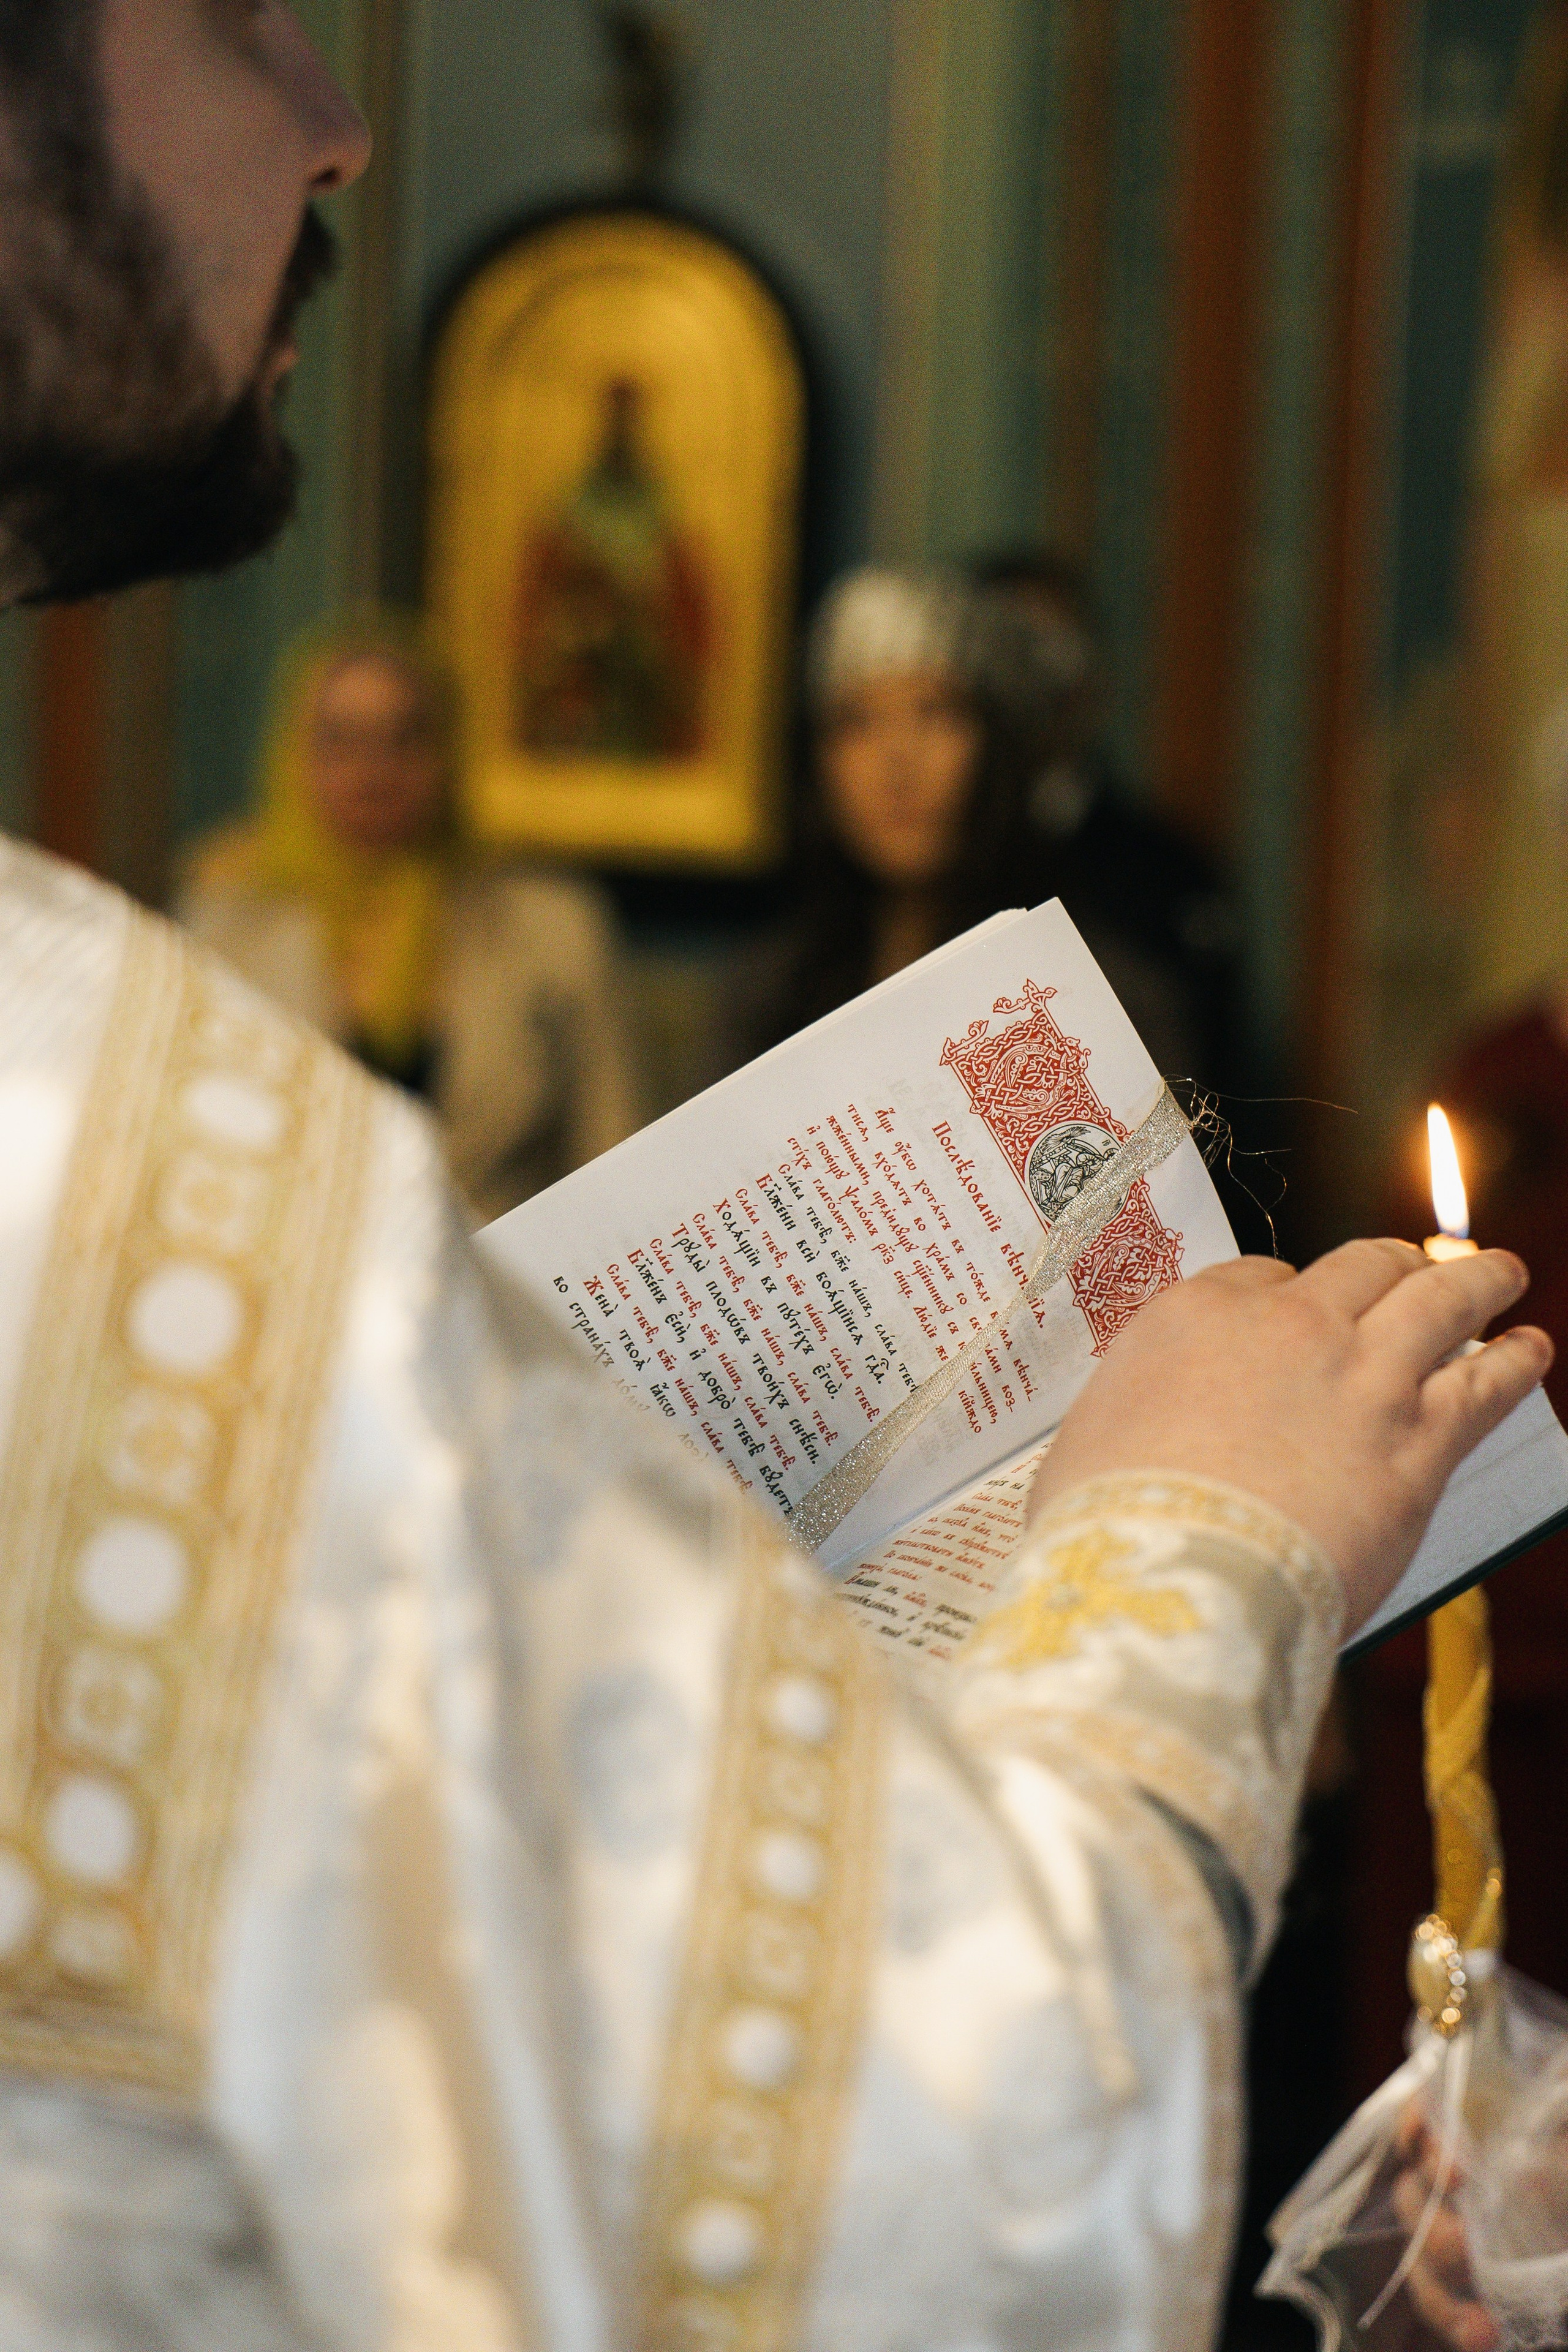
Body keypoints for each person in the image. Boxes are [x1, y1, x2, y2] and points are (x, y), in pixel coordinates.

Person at [0, 7, 1553, 2350]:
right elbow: (948, 2178)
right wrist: (1200, 1535)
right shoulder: (118, 1167)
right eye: (230, 8)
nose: (336, 123)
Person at [179, 615, 639, 1221]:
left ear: (448, 752)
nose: (375, 771)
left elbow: (615, 1153)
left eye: (405, 738)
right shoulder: (225, 929)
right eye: (342, 741)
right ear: (296, 755)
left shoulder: (550, 925)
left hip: (496, 1261)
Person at [756, 565, 1229, 1091]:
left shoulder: (1106, 998)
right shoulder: (764, 999)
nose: (896, 762)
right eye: (856, 722)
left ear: (997, 748)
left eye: (937, 713)